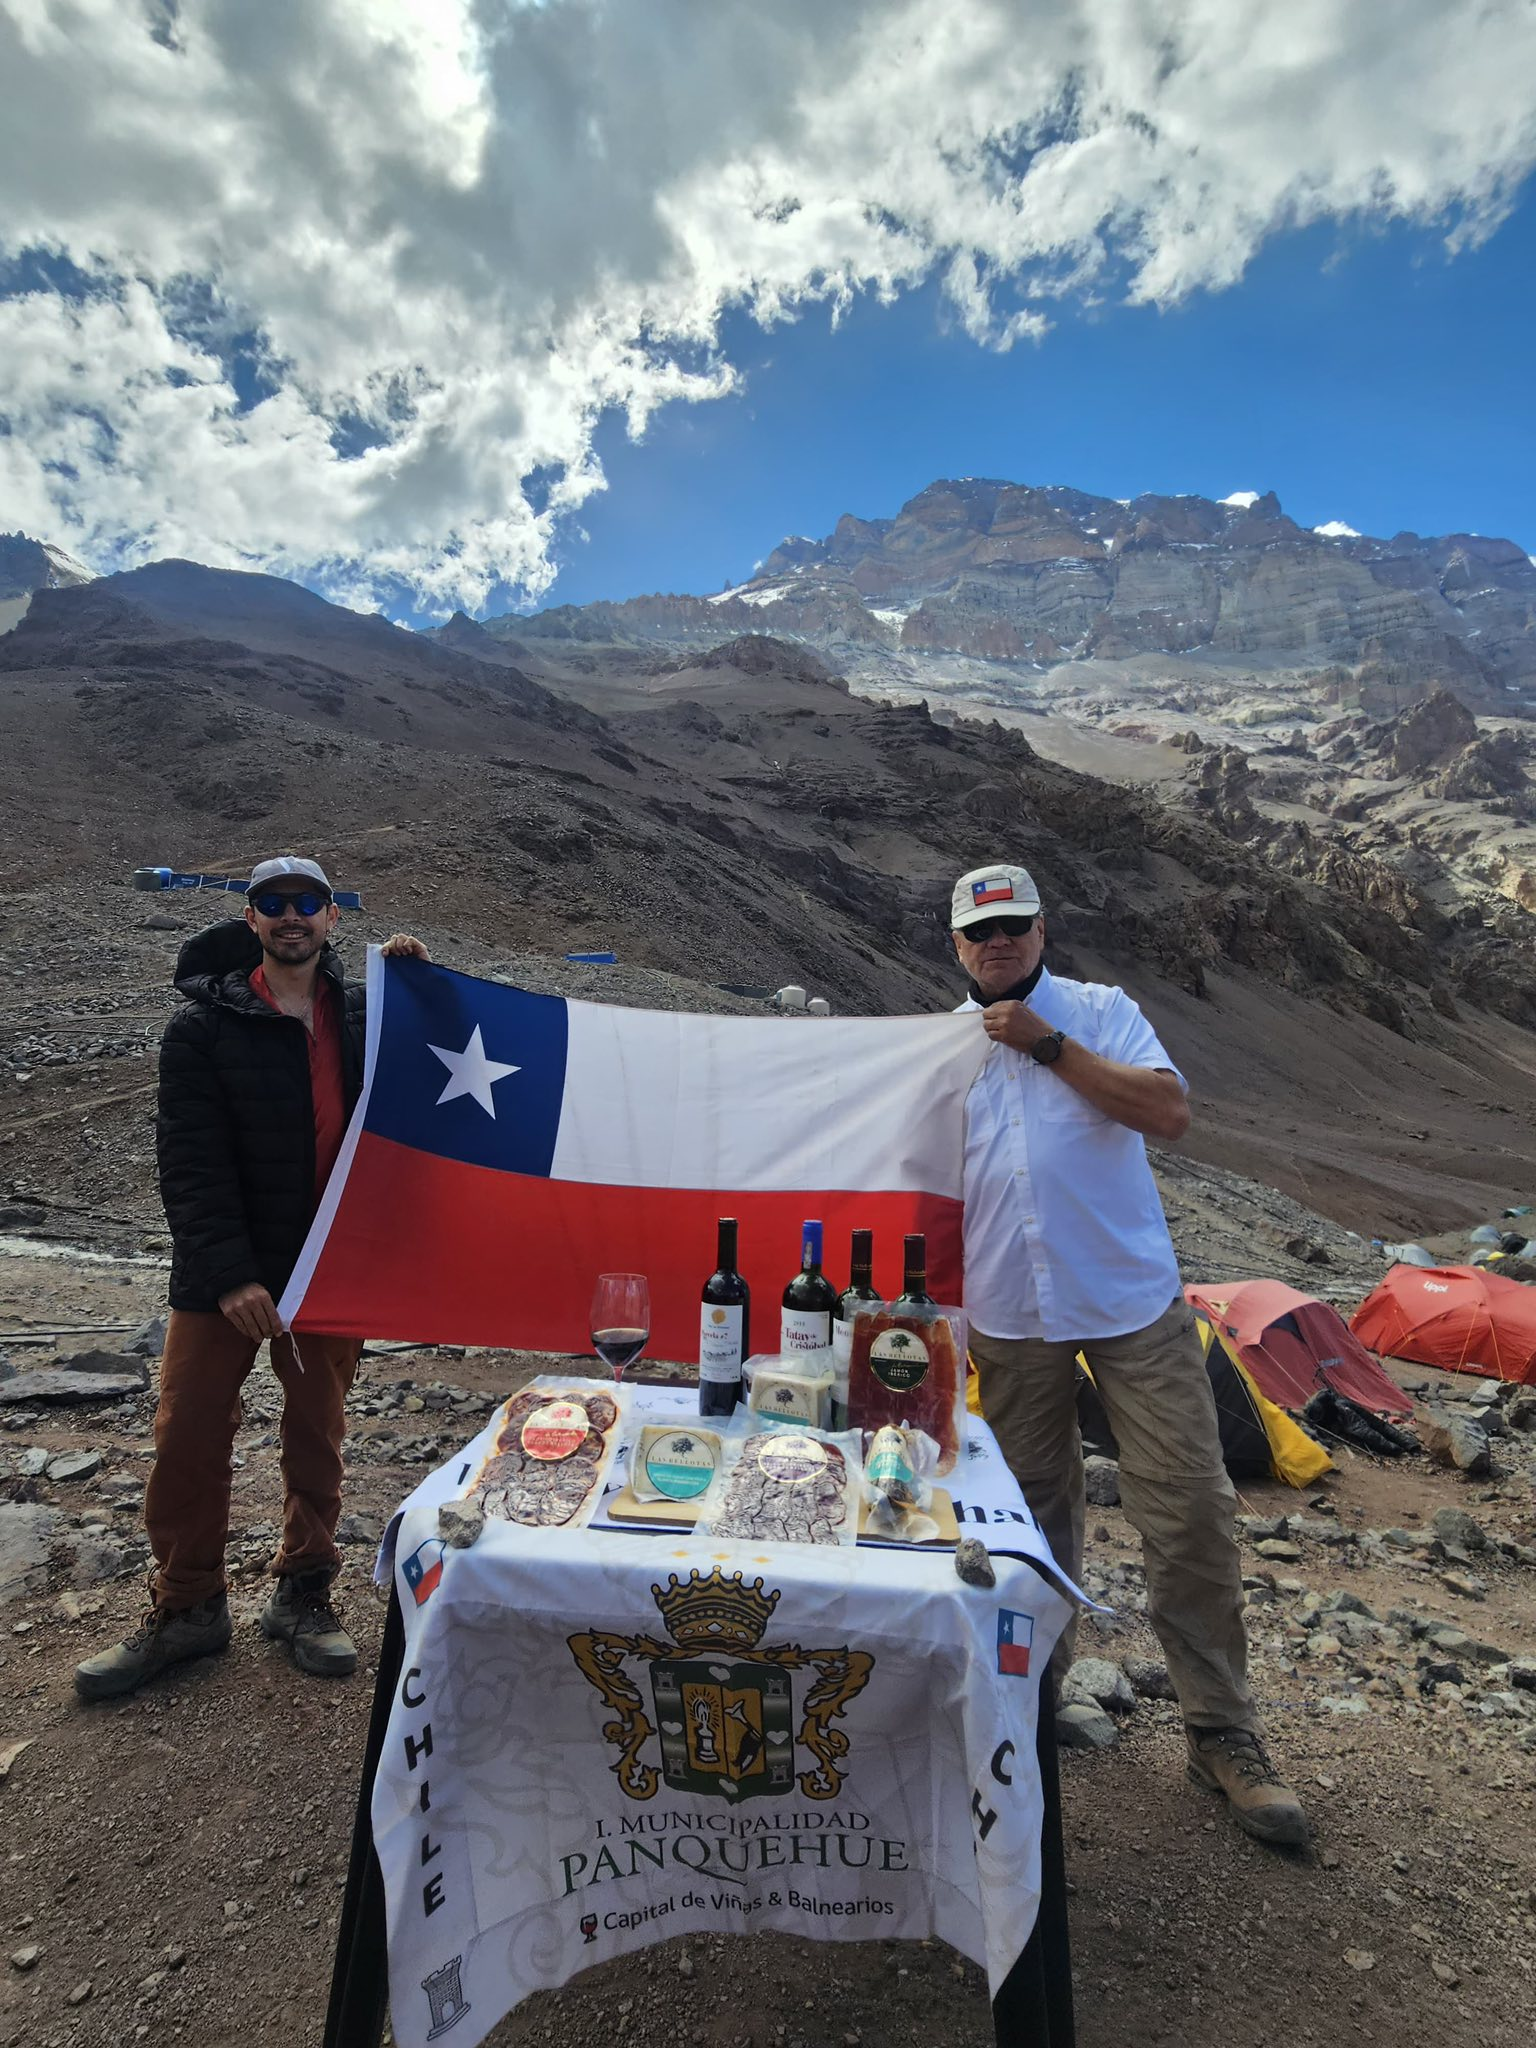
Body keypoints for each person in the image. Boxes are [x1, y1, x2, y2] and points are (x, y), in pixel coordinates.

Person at [950, 860, 1307, 1848]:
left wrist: (1048, 1043)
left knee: (1188, 1504)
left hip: (1129, 1305)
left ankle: (1220, 1730)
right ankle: (1032, 1703)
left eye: (1014, 924)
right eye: (981, 932)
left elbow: (1166, 1110)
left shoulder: (1099, 1012)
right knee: (1029, 1518)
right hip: (1012, 1317)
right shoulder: (939, 1051)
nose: (999, 943)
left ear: (1042, 928)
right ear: (956, 947)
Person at [76, 858, 427, 1702]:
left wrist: (418, 984)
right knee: (189, 1434)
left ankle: (304, 1593)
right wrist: (231, 1273)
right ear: (252, 918)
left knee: (318, 1436)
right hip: (223, 1275)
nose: (291, 916)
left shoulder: (361, 1013)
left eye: (307, 902)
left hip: (327, 1267)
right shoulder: (200, 1027)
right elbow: (189, 1163)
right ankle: (188, 1604)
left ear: (332, 917)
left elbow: (428, 1080)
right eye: (274, 904)